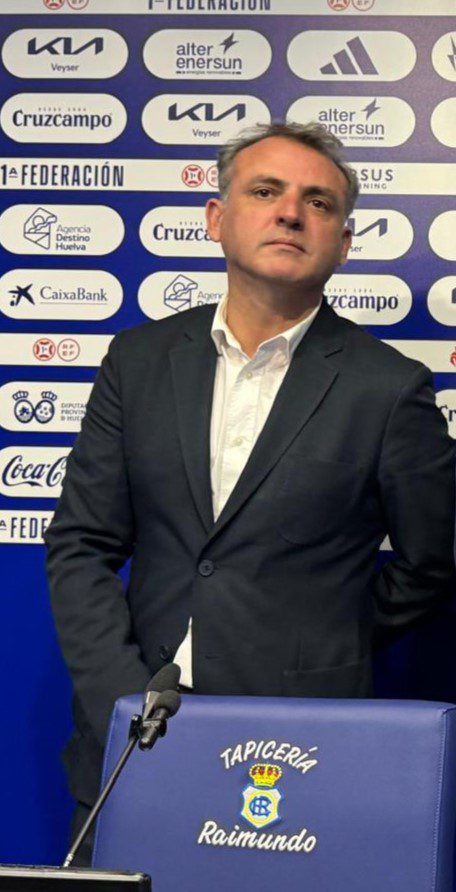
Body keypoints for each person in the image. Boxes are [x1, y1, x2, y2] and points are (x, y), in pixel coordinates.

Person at [45, 121, 455, 851]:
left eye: (318, 202)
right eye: (265, 191)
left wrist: (324, 634)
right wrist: (120, 697)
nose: (291, 213)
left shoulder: (389, 389)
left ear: (344, 243)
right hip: (132, 738)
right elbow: (81, 544)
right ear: (217, 218)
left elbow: (433, 561)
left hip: (300, 744)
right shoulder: (138, 361)